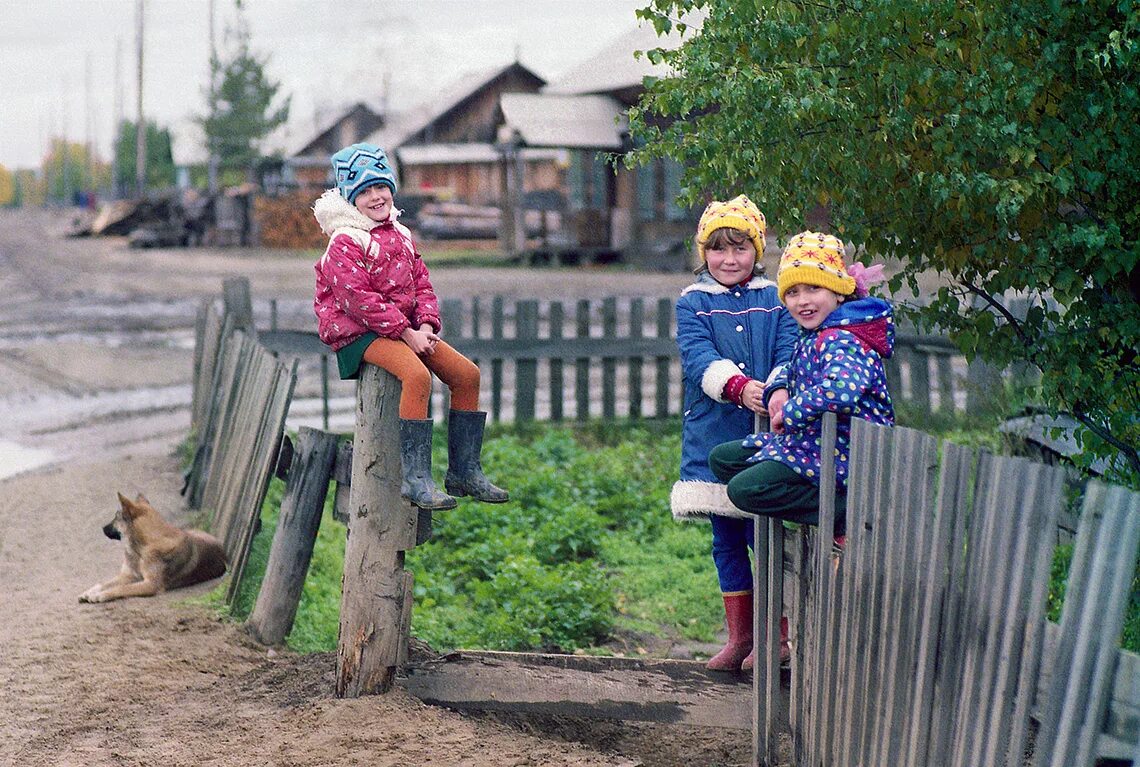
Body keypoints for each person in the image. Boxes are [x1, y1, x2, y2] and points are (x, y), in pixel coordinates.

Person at [312, 142, 508, 510]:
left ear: (392, 187)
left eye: (381, 186)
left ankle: (464, 472)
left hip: (404, 329)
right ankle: (415, 479)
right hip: (360, 333)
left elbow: (421, 283)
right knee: (416, 377)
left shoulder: (399, 233)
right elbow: (359, 301)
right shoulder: (345, 240)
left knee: (466, 375)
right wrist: (406, 333)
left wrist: (428, 324)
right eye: (364, 191)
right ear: (350, 198)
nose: (375, 196)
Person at [670, 194, 798, 672]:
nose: (729, 259)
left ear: (757, 250)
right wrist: (738, 386)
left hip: (771, 433)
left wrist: (780, 386)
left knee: (762, 534)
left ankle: (778, 635)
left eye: (740, 249)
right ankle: (740, 636)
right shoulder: (693, 302)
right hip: (714, 432)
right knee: (725, 536)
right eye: (719, 249)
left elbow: (789, 346)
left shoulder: (776, 298)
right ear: (704, 251)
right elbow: (698, 356)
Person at [708, 230, 894, 540]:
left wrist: (793, 410)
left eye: (813, 289)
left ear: (838, 293)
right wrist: (778, 388)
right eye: (792, 292)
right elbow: (796, 371)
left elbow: (844, 389)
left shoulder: (843, 337)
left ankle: (844, 511)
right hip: (814, 441)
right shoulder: (816, 333)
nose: (802, 301)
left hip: (846, 450)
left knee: (746, 490)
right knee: (722, 459)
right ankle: (814, 500)